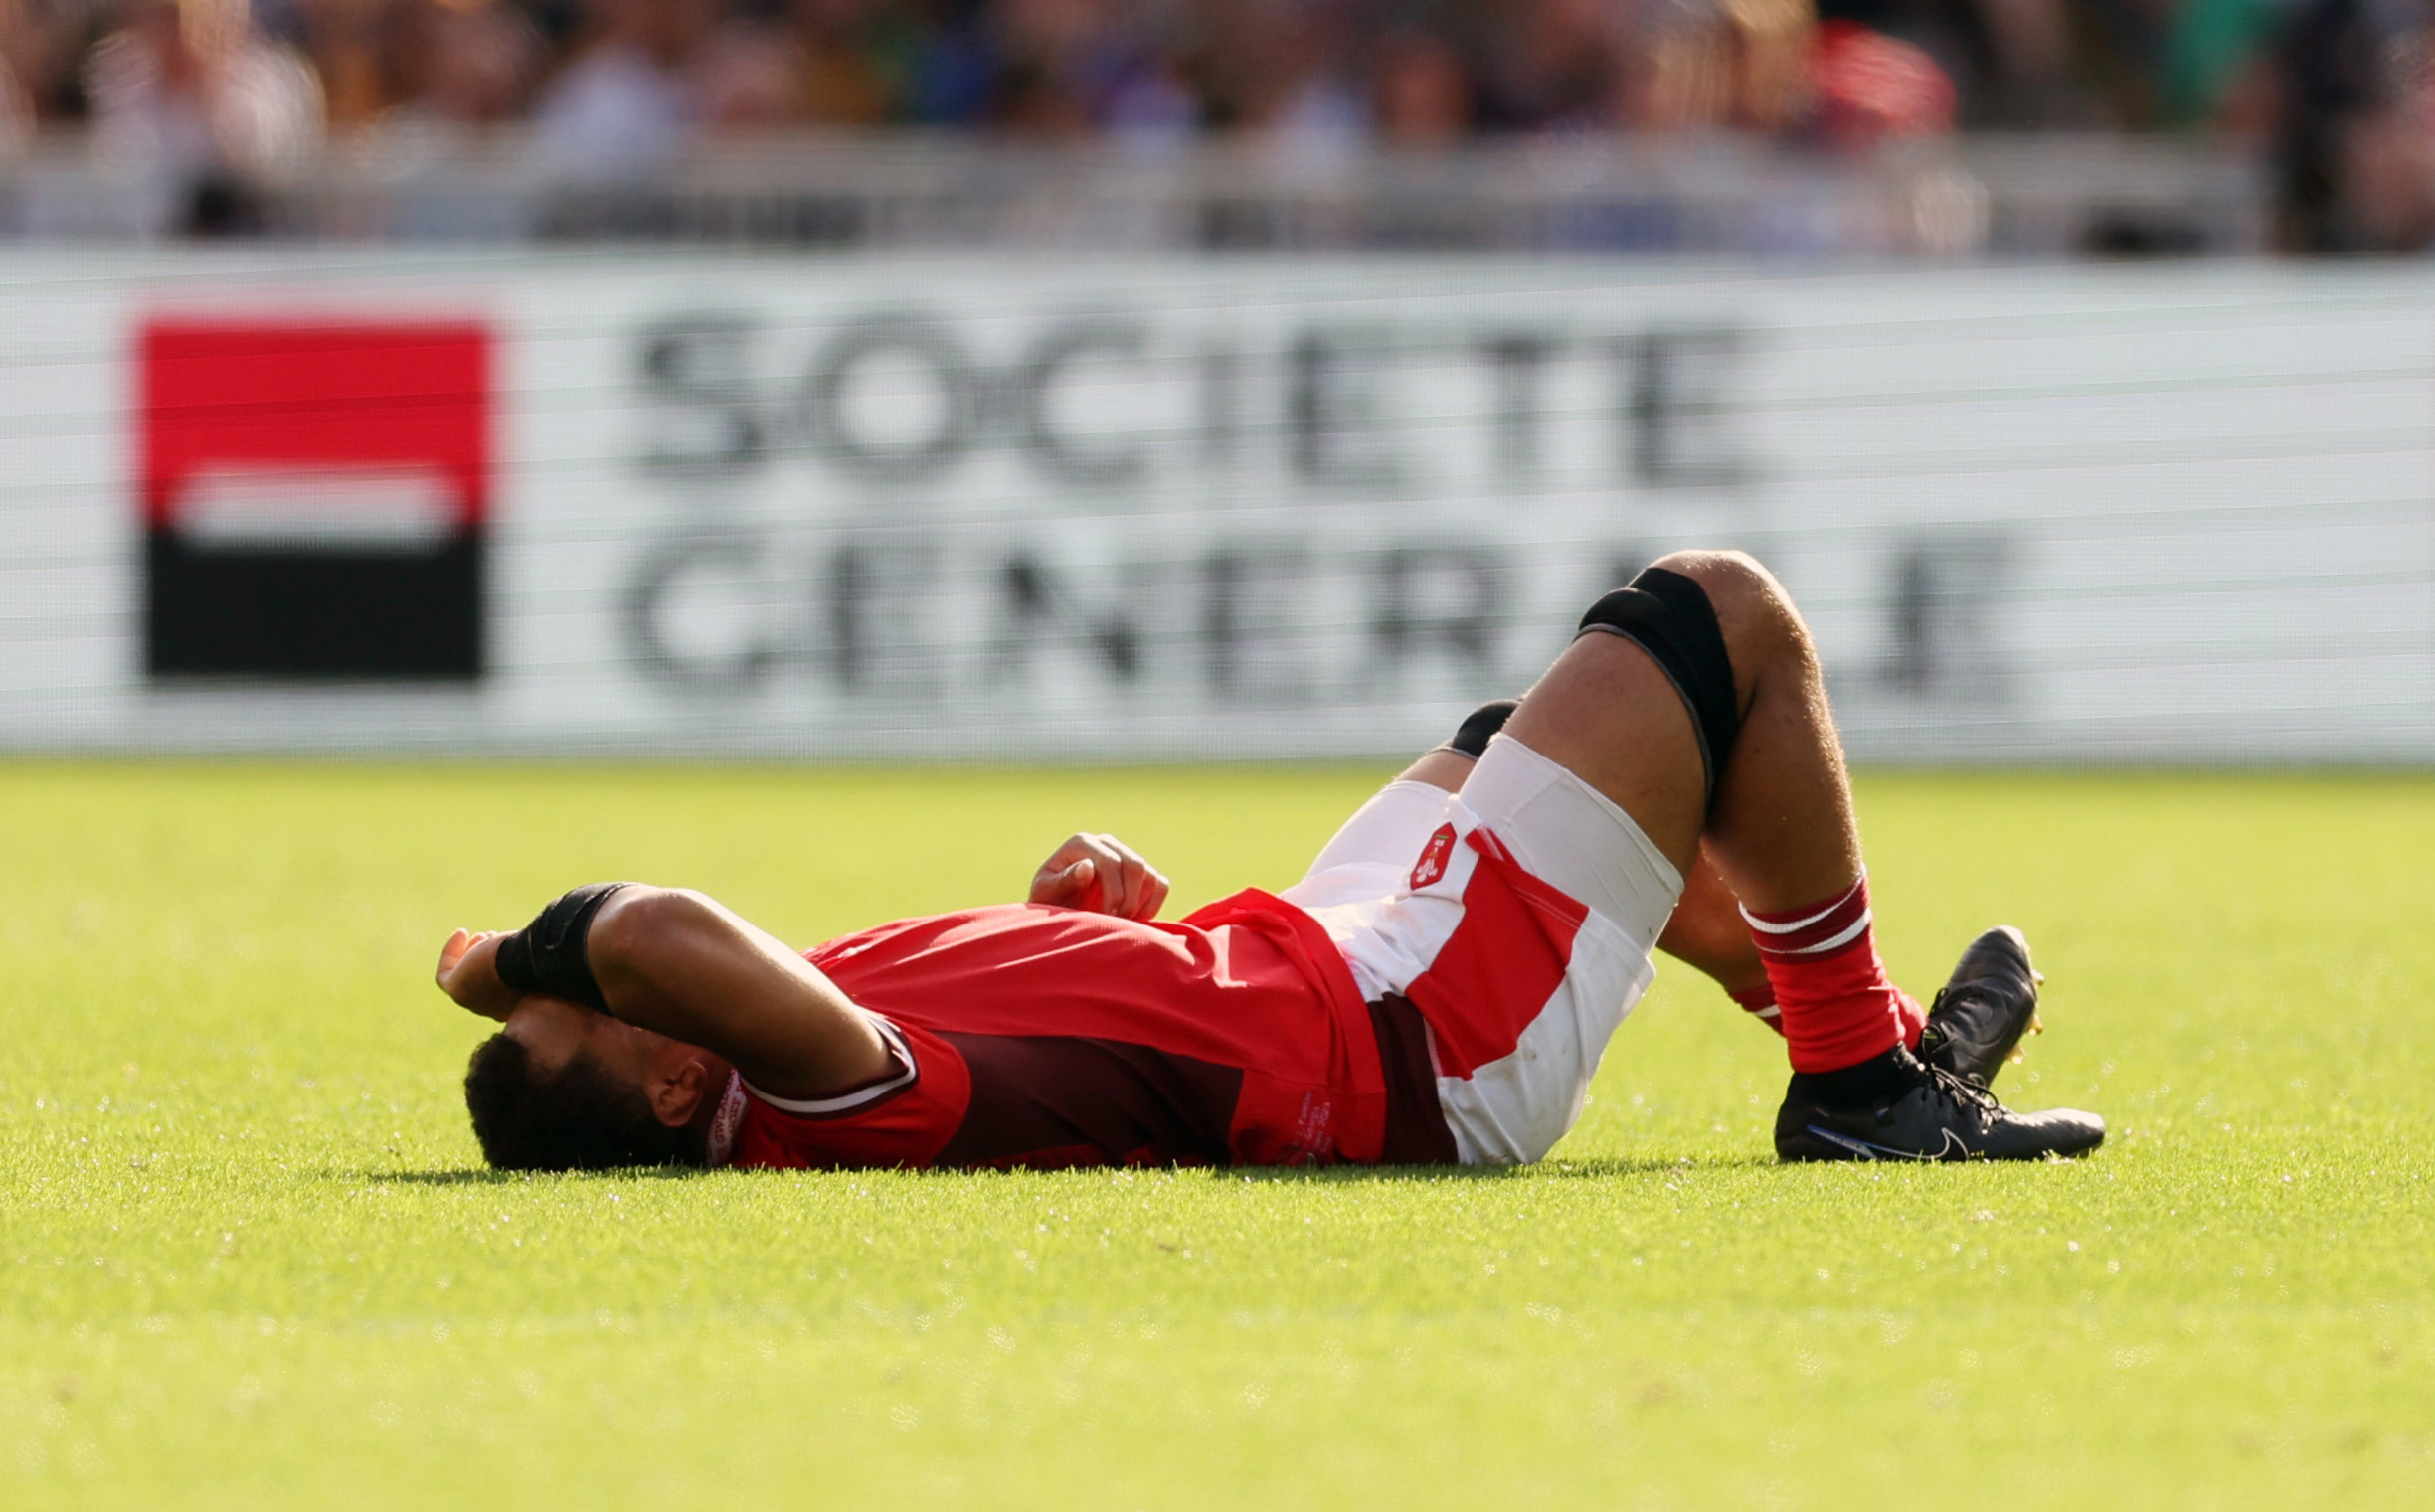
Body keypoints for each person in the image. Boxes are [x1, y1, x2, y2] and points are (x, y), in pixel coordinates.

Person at [436, 550, 2104, 1171]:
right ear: (667, 1083)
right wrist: (499, 965)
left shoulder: (793, 1062)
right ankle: (1866, 1086)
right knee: (1713, 616)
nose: (572, 978)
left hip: (1314, 961)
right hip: (1411, 1043)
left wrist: (1063, 930)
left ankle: (1854, 1037)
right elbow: (647, 924)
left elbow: (1047, 1057)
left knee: (1504, 736)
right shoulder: (804, 1096)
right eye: (587, 1010)